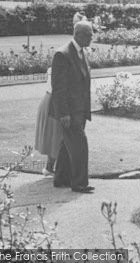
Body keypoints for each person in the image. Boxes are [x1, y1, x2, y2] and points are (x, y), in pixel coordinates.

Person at [49, 21, 94, 193]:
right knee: (80, 146)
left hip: (80, 110)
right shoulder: (63, 54)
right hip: (69, 111)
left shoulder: (81, 52)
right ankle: (79, 183)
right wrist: (64, 113)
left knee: (67, 145)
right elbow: (58, 88)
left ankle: (61, 178)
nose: (91, 38)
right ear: (78, 35)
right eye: (89, 35)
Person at [35, 67, 65, 176]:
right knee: (56, 136)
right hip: (53, 102)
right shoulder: (60, 69)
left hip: (50, 100)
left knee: (55, 136)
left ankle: (50, 167)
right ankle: (51, 168)